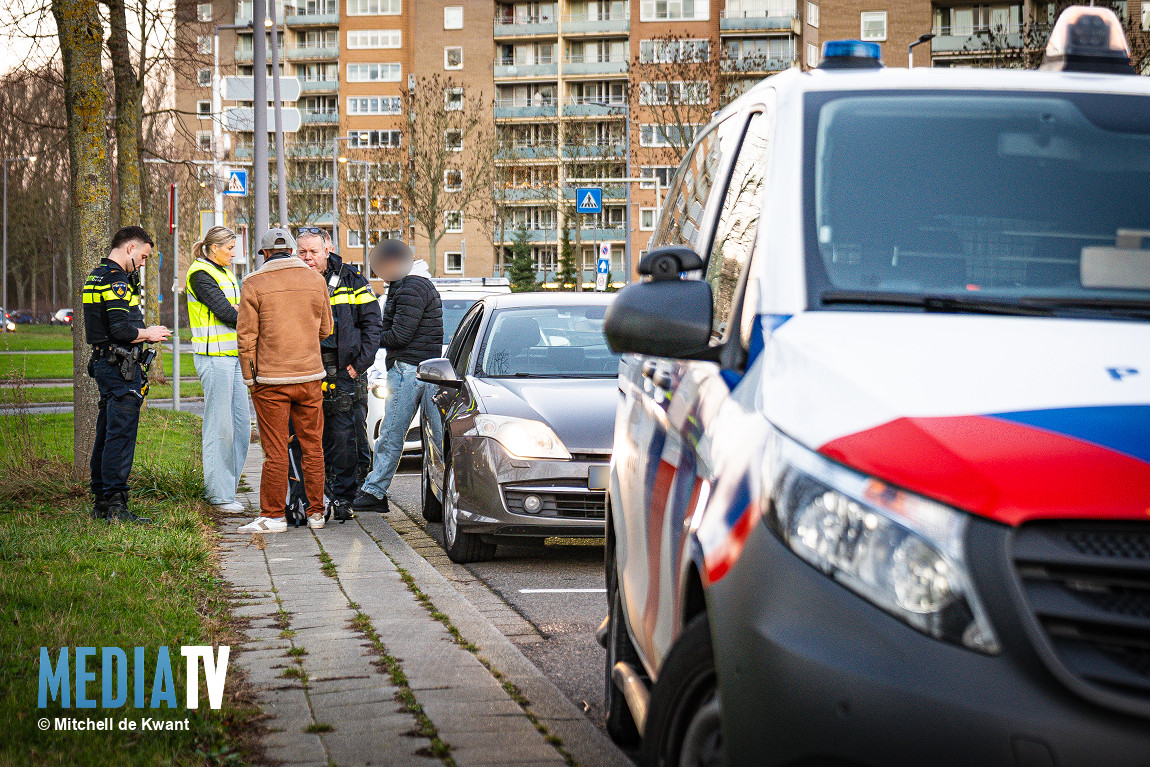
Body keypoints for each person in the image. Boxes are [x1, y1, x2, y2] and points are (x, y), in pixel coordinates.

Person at [236, 228, 333, 533]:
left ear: (264, 253)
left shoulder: (253, 283)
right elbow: (326, 330)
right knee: (313, 446)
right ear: (292, 251)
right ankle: (317, 513)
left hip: (271, 379)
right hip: (310, 378)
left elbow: (246, 337)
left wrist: (250, 378)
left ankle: (273, 515)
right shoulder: (316, 280)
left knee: (275, 450)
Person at [83, 225, 171, 523]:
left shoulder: (96, 275)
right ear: (130, 248)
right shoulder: (117, 280)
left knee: (107, 432)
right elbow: (120, 329)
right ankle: (117, 507)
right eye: (144, 257)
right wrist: (150, 333)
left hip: (105, 364)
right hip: (120, 368)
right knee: (120, 436)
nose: (144, 263)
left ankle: (102, 503)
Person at [296, 227, 382, 521]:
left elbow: (372, 325)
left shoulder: (351, 279)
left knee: (345, 438)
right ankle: (311, 498)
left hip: (343, 371)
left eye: (313, 252)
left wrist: (360, 364)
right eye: (302, 252)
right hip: (306, 370)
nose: (307, 257)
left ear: (327, 251)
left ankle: (344, 498)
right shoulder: (294, 279)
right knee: (307, 437)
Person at [353, 240, 442, 513]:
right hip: (424, 368)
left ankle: (374, 491)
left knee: (391, 433)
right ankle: (451, 491)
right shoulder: (414, 284)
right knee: (437, 438)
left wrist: (364, 338)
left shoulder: (410, 287)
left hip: (408, 369)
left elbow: (400, 335)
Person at [187, 225, 249, 513]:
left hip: (233, 357)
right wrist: (246, 314)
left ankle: (229, 490)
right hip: (214, 358)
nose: (233, 254)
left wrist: (241, 313)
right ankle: (218, 495)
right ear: (214, 248)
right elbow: (226, 313)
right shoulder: (200, 274)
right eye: (229, 248)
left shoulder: (224, 272)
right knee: (220, 428)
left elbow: (237, 311)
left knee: (240, 427)